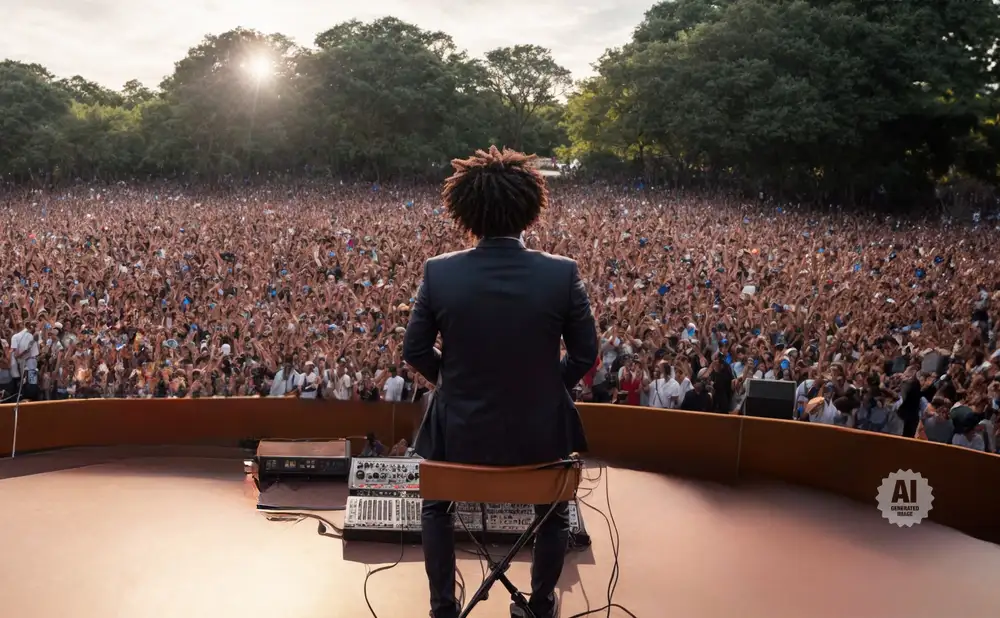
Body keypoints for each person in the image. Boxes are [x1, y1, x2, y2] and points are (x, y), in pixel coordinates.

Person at [403, 146, 598, 618]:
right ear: (531, 208)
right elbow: (586, 355)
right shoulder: (562, 273)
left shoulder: (439, 272)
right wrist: (548, 389)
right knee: (553, 513)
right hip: (539, 443)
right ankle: (540, 604)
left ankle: (444, 609)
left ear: (465, 211)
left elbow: (414, 351)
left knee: (435, 509)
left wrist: (450, 386)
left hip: (459, 442)